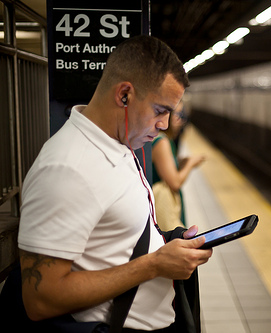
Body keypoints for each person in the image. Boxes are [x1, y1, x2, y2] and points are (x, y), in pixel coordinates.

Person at [16, 35, 212, 331]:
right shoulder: (67, 168)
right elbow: (41, 298)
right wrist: (155, 265)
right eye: (161, 111)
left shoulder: (118, 144)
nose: (165, 125)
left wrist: (171, 242)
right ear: (124, 96)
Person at [152, 101, 206, 230]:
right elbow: (175, 182)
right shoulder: (162, 141)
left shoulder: (165, 139)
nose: (181, 120)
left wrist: (181, 161)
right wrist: (190, 164)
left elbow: (163, 164)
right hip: (163, 204)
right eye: (178, 114)